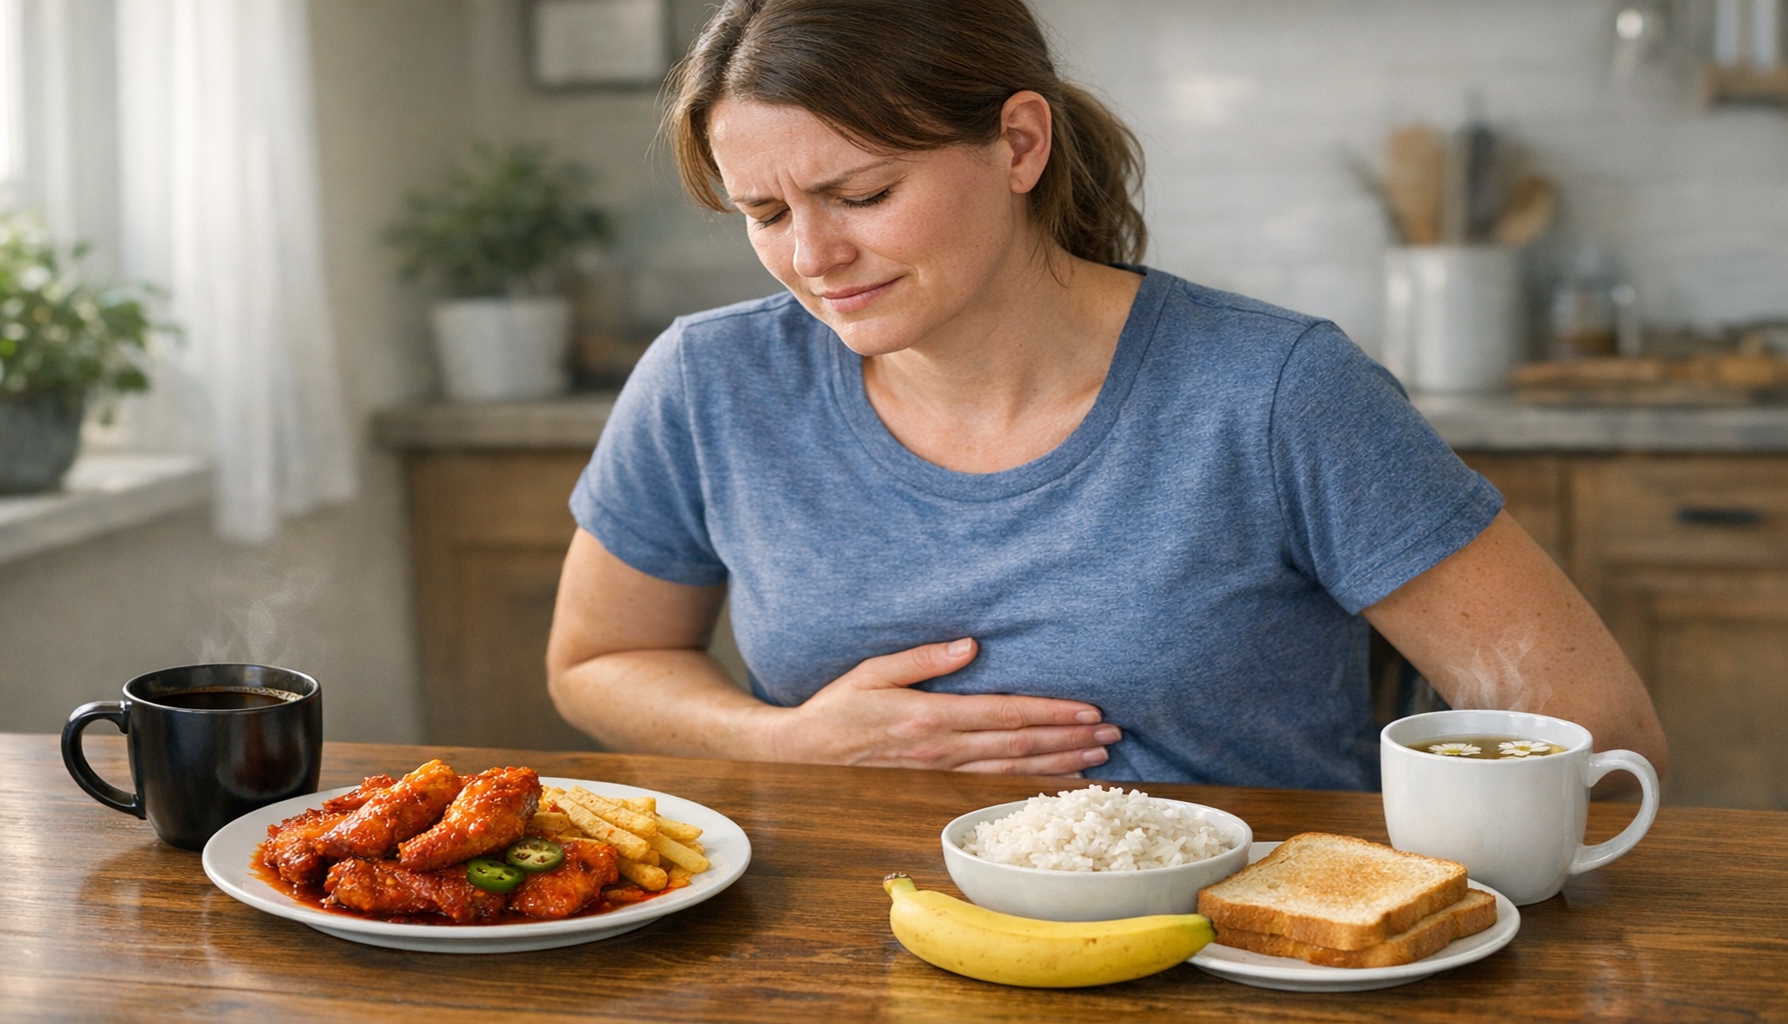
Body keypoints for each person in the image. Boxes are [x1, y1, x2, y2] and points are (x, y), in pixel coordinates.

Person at [545, 0, 1667, 789]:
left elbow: (1597, 736)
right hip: (847, 946)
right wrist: (792, 744)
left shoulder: (1276, 392)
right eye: (767, 214)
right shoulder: (711, 380)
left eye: (863, 192)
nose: (815, 256)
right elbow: (599, 662)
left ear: (1019, 143)